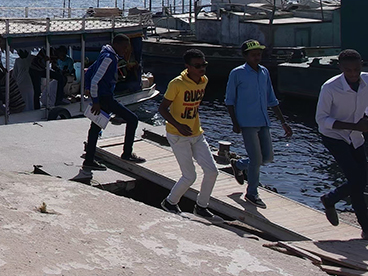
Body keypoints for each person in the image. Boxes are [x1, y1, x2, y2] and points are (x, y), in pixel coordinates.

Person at [226, 39, 292, 208]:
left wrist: (283, 122)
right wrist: (235, 122)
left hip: (263, 120)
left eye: (259, 54)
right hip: (246, 122)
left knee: (267, 157)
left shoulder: (264, 73)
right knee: (256, 159)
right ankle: (252, 193)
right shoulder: (237, 73)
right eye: (253, 54)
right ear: (245, 56)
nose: (257, 57)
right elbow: (229, 100)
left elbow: (272, 99)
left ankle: (238, 164)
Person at [157, 49, 220, 219]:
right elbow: (162, 109)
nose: (202, 69)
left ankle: (201, 206)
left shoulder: (203, 81)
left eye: (204, 65)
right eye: (197, 66)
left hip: (196, 133)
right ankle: (170, 202)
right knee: (189, 176)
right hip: (177, 135)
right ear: (188, 67)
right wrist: (178, 125)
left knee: (212, 171)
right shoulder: (176, 83)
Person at [316, 49, 368, 238]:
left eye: (356, 69)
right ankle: (331, 200)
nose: (353, 74)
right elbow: (321, 119)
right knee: (356, 179)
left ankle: (331, 200)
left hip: (356, 136)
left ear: (361, 65)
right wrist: (356, 125)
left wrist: (365, 120)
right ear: (340, 68)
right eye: (348, 70)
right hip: (334, 136)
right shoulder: (330, 88)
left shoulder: (367, 81)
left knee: (362, 180)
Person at [81, 34, 145, 175]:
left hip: (103, 97)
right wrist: (96, 101)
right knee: (132, 119)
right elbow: (95, 81)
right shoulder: (109, 59)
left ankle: (89, 159)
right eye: (123, 47)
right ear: (116, 44)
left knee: (95, 128)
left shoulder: (105, 53)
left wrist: (87, 87)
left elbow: (89, 71)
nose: (125, 50)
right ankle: (127, 153)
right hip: (105, 98)